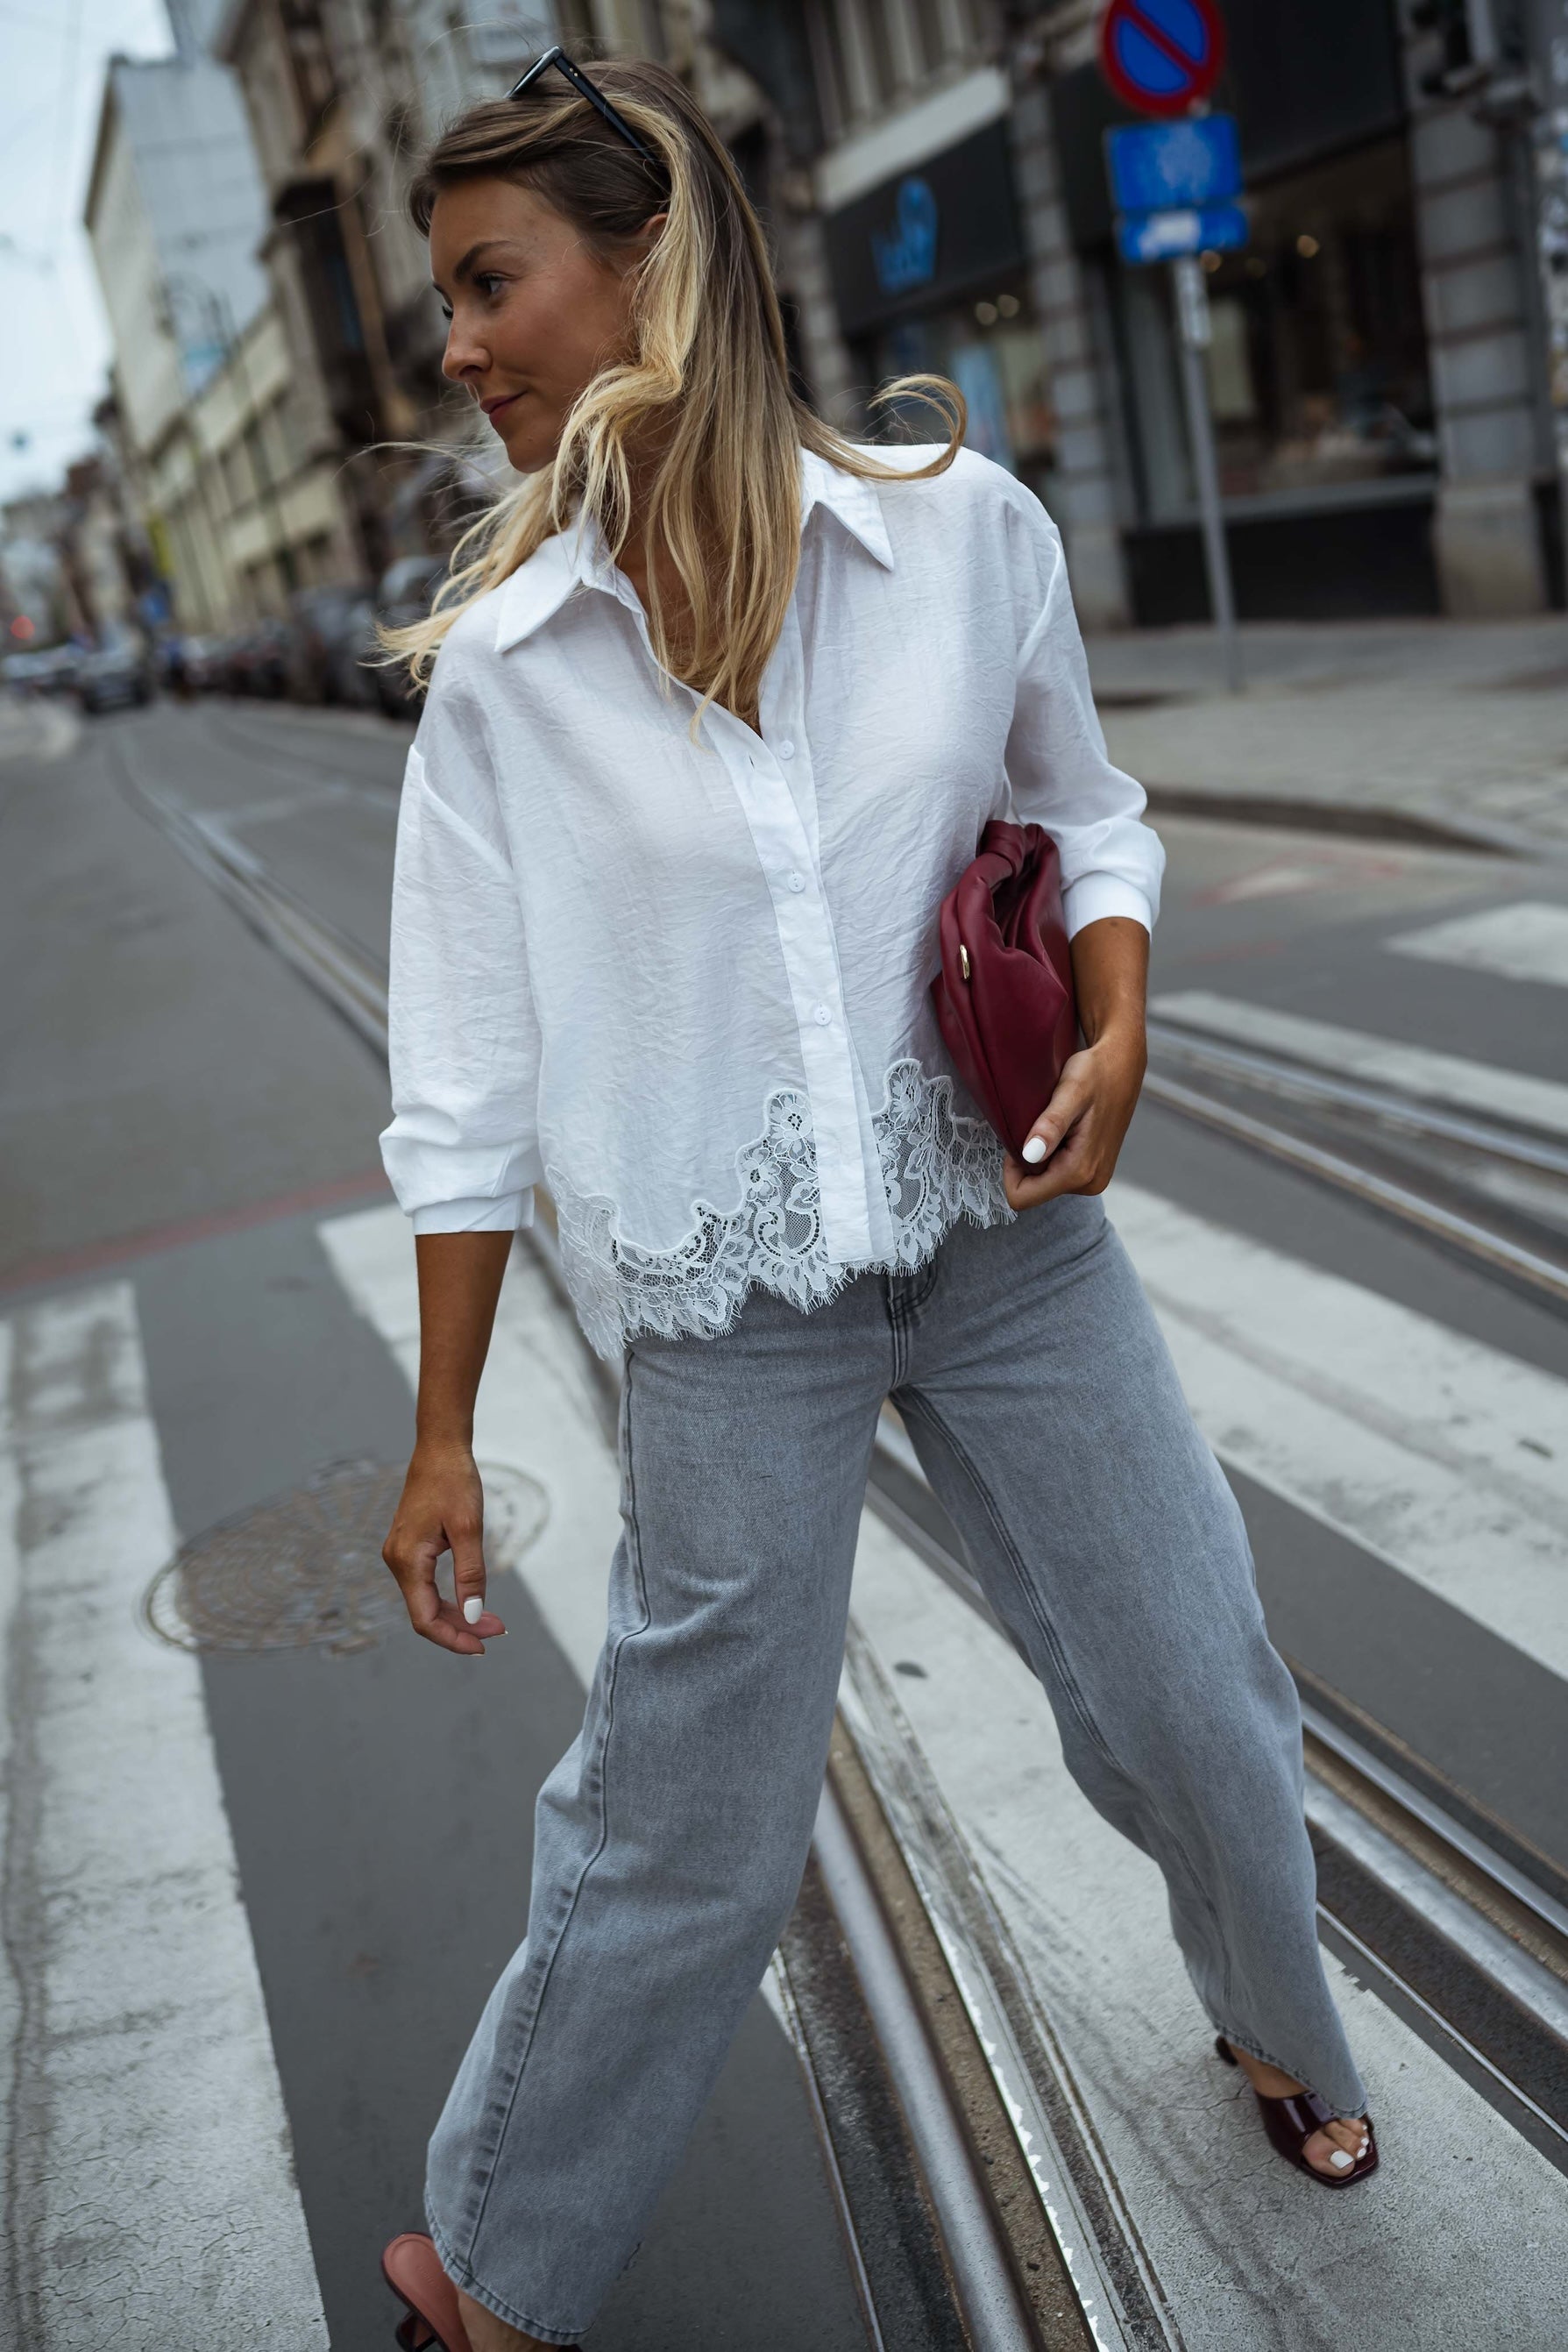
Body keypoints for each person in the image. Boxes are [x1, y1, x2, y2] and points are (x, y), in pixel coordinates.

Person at [375, 53, 1376, 2352]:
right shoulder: (509, 689)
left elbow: (1089, 812)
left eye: (490, 283)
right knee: (688, 1820)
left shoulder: (961, 538)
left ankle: (1276, 2018)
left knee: (1194, 1694)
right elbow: (461, 1085)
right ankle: (500, 2262)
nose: (457, 344)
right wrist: (443, 1426)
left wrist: (1117, 1017)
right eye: (445, 299)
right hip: (734, 1303)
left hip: (1010, 1235)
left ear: (654, 268)